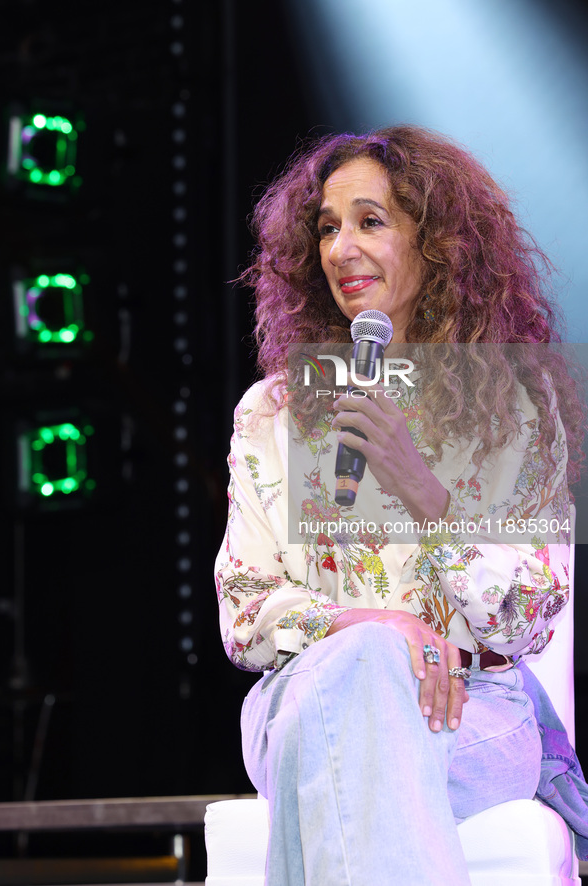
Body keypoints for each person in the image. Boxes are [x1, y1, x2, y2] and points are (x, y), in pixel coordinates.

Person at [214, 125, 584, 884]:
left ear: (436, 242)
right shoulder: (275, 409)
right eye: (326, 227)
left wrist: (425, 495)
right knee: (360, 676)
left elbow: (527, 616)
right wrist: (373, 628)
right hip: (302, 696)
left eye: (369, 222)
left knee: (337, 754)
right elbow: (245, 613)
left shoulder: (514, 403)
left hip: (470, 714)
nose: (340, 248)